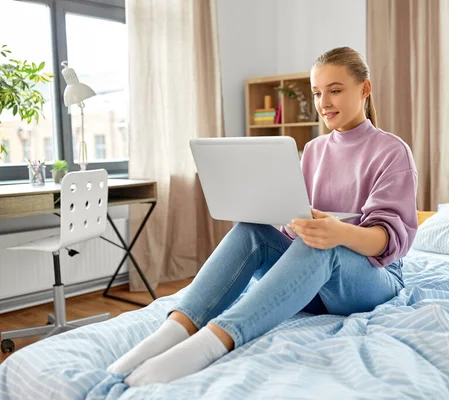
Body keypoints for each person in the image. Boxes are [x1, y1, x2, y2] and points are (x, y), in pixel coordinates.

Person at [107, 46, 419, 386]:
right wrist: (276, 210)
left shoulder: (392, 150)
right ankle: (173, 331)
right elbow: (291, 226)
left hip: (372, 278)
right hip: (314, 285)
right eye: (317, 93)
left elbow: (388, 242)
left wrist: (337, 233)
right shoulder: (314, 150)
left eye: (335, 90)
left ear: (365, 89)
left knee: (321, 244)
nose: (324, 103)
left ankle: (214, 342)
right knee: (250, 231)